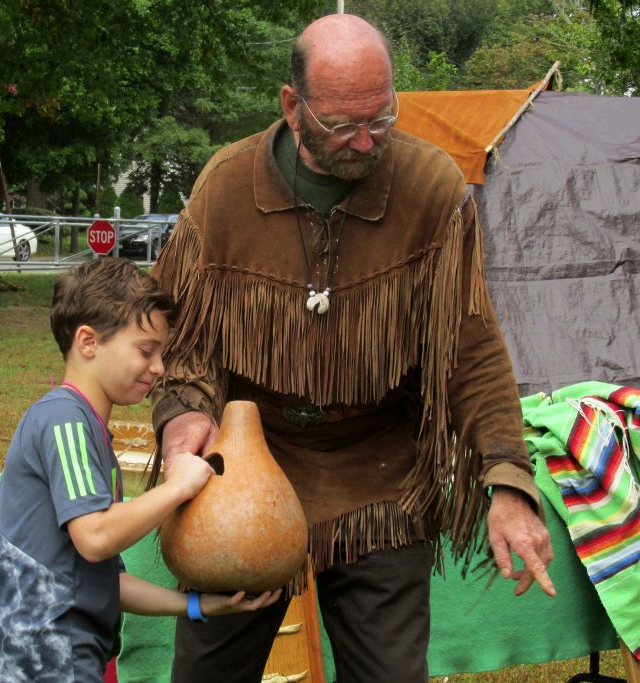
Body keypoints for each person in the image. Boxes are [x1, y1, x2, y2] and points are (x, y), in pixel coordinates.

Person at [149, 13, 554, 683]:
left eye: (382, 118)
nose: (366, 142)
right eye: (343, 125)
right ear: (292, 105)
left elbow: (470, 350)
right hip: (244, 472)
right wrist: (182, 415)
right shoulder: (224, 188)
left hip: (380, 479)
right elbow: (176, 336)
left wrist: (506, 478)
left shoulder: (431, 189)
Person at [0, 259, 279, 682]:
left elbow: (105, 583)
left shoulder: (87, 430)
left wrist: (200, 606)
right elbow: (96, 538)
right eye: (145, 350)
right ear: (88, 341)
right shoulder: (64, 421)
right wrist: (179, 486)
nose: (159, 368)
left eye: (162, 353)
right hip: (42, 657)